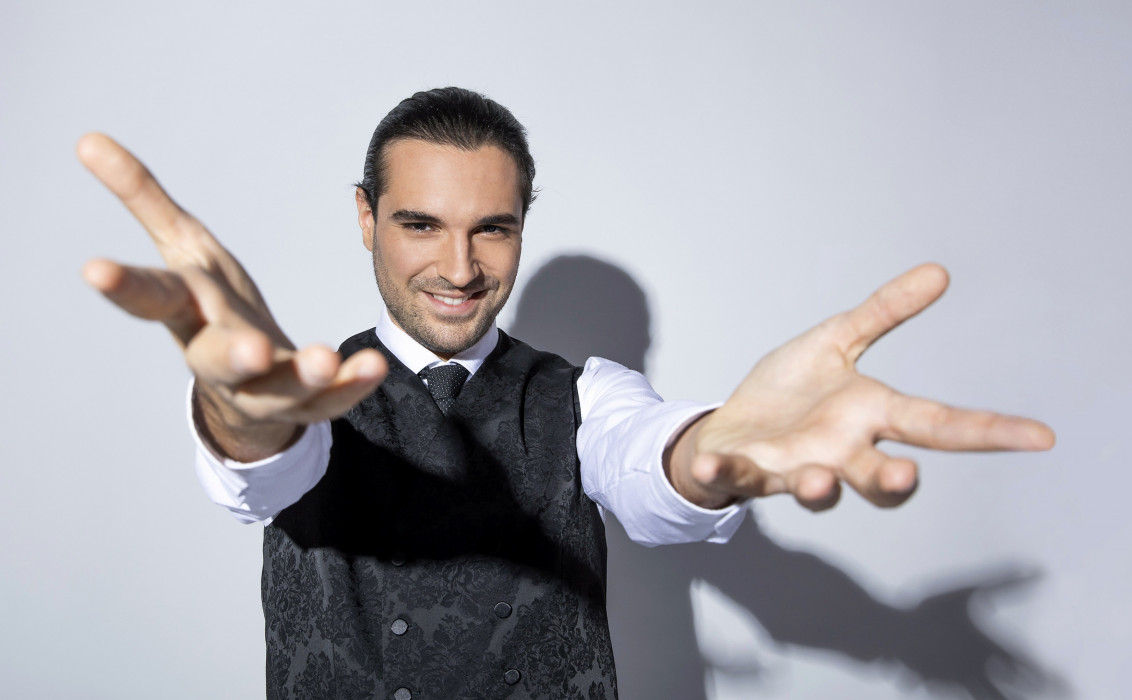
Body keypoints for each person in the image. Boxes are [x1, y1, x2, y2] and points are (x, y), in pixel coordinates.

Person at [79, 87, 1054, 699]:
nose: (460, 267)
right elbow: (261, 472)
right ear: (366, 218)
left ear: (522, 225)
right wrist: (242, 413)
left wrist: (709, 455)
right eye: (421, 224)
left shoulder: (586, 397)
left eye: (491, 229)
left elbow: (649, 462)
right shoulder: (312, 397)